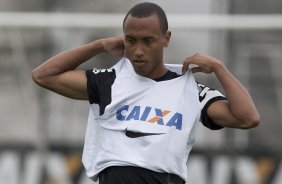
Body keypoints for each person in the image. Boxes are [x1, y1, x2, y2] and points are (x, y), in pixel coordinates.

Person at [32, 2, 260, 184]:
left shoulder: (189, 89)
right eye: (131, 41)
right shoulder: (108, 81)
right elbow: (43, 75)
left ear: (166, 39)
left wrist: (219, 68)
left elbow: (248, 117)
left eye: (147, 41)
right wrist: (98, 46)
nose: (138, 51)